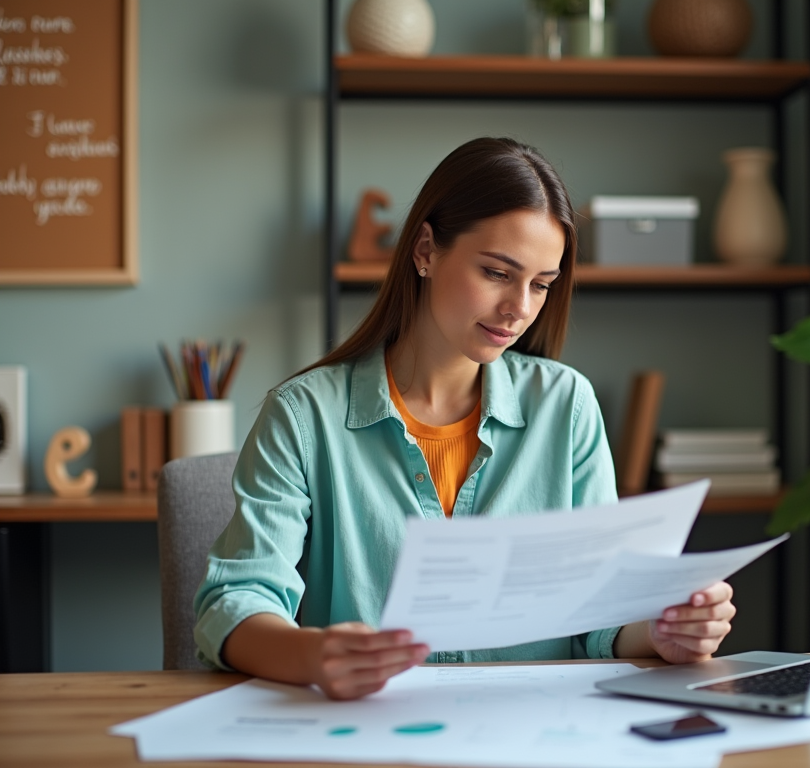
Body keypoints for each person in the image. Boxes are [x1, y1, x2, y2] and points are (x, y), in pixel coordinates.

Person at [194, 137, 736, 700]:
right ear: (425, 250)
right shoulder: (304, 416)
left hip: (534, 738)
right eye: (498, 273)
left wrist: (662, 632)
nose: (520, 308)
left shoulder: (566, 405)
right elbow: (234, 603)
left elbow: (595, 613)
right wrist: (312, 655)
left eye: (542, 285)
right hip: (366, 737)